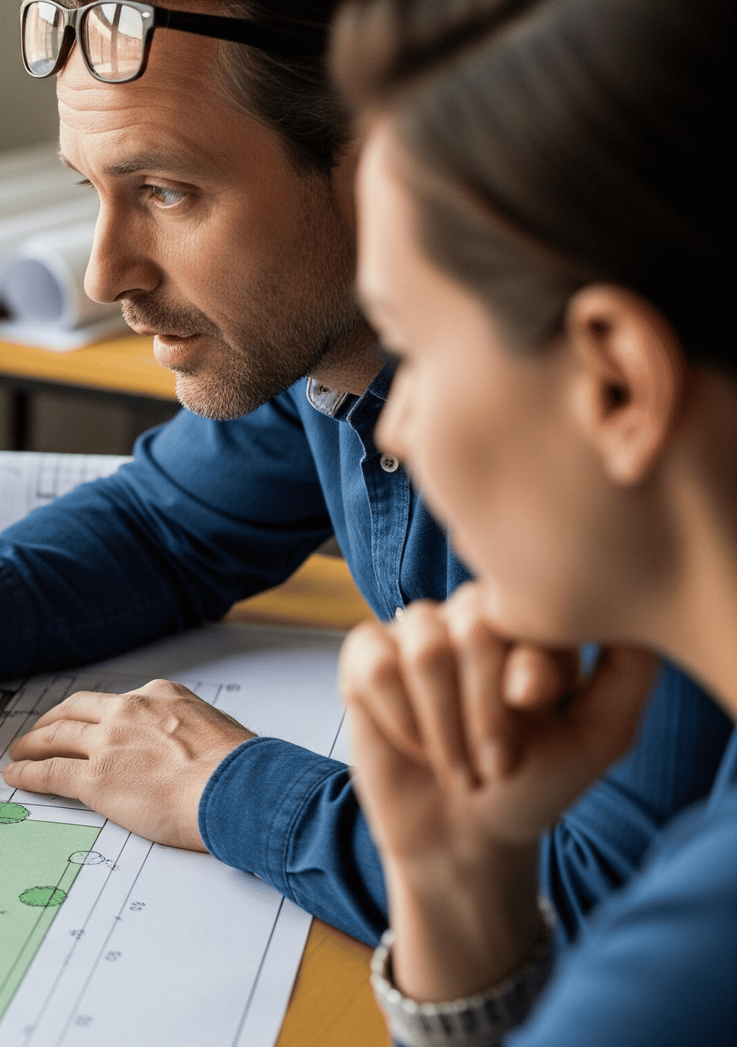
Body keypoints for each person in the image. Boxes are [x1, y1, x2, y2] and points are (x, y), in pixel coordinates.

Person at [0, 0, 732, 949]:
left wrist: (234, 792)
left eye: (168, 191)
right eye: (92, 189)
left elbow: (610, 899)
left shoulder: (601, 439)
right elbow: (167, 525)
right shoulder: (320, 350)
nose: (101, 274)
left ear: (377, 166)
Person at [327, 0, 731, 1041]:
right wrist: (458, 901)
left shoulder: (696, 959)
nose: (399, 429)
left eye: (413, 347)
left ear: (615, 383)